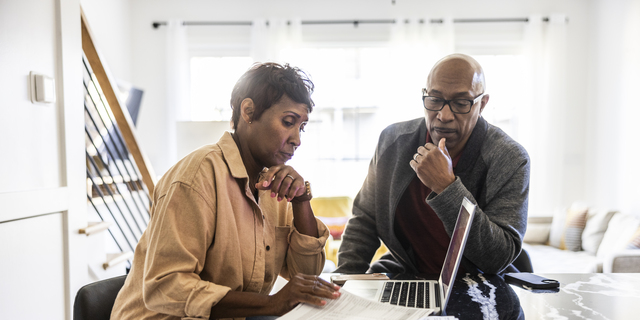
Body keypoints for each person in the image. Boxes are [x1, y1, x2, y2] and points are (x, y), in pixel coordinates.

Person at [111, 62, 340, 320]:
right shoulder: (197, 177)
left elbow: (305, 276)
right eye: (288, 122)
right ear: (249, 111)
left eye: (302, 127)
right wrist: (272, 304)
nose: (297, 139)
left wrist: (301, 201)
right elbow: (165, 286)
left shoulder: (272, 186)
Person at [335, 54, 530, 275]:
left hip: (480, 284)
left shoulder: (509, 158)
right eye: (435, 100)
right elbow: (365, 220)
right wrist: (343, 284)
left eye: (460, 103)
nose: (444, 115)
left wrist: (448, 188)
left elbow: (497, 257)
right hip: (409, 275)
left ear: (482, 104)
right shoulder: (393, 142)